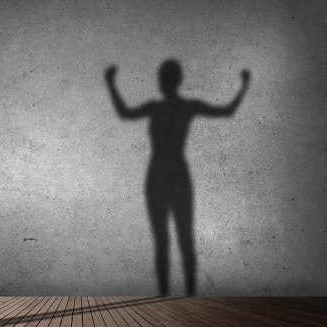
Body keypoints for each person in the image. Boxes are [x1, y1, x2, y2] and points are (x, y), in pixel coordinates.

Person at [105, 60, 250, 295]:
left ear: (166, 82)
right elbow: (227, 111)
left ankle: (178, 296)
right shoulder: (181, 107)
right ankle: (177, 296)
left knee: (173, 240)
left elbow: (226, 111)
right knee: (175, 240)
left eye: (165, 79)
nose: (164, 83)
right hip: (170, 176)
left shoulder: (163, 107)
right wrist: (244, 86)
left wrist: (111, 83)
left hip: (164, 175)